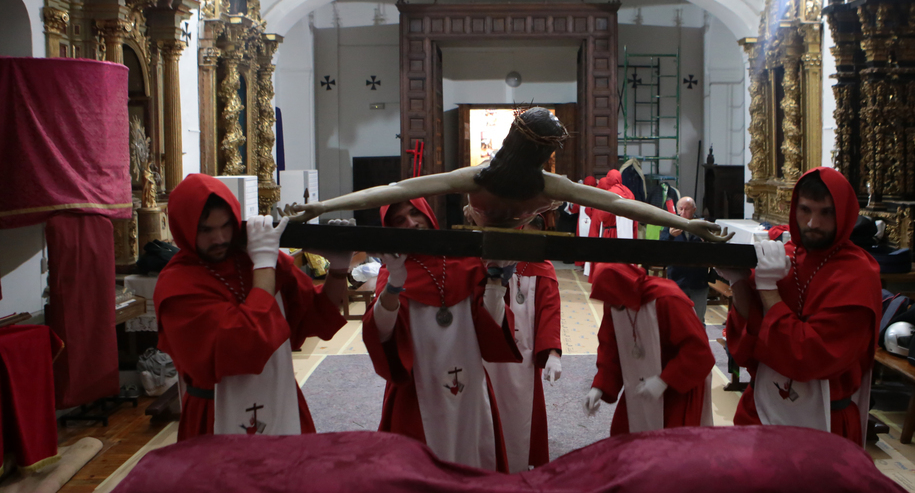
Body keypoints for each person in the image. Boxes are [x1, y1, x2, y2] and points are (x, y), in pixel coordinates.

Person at [284, 108, 731, 243]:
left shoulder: (547, 186)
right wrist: (322, 207)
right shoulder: (477, 179)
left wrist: (685, 222)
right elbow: (396, 190)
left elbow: (619, 204)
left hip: (519, 249)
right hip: (481, 241)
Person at [154, 174, 349, 440]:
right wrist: (264, 266)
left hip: (280, 398)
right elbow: (245, 340)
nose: (220, 238)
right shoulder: (178, 285)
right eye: (206, 230)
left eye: (226, 226)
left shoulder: (253, 258)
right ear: (184, 228)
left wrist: (338, 271)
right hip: (215, 412)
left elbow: (315, 313)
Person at [720, 167, 882, 446]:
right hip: (760, 409)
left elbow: (809, 357)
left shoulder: (857, 274)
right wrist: (738, 283)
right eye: (805, 209)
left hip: (825, 420)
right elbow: (746, 345)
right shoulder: (781, 257)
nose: (812, 223)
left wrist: (769, 292)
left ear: (844, 214)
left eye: (826, 212)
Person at [362, 197, 521, 472]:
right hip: (418, 388)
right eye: (400, 220)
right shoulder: (391, 273)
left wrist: (495, 277)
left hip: (470, 383)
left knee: (475, 455)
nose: (411, 223)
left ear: (428, 214)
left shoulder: (465, 262)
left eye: (415, 213)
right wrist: (394, 285)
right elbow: (383, 332)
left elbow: (490, 326)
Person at [583, 264, 714, 434]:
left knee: (674, 444)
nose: (608, 305)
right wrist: (599, 387)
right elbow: (610, 348)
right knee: (624, 435)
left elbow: (699, 351)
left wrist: (664, 380)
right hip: (642, 381)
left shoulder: (668, 299)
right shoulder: (616, 301)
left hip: (679, 383)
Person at [483, 217, 563, 473]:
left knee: (522, 414)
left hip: (524, 357)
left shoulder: (543, 267)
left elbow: (550, 310)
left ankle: (518, 467)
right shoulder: (487, 260)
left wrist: (552, 353)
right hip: (487, 354)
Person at [662, 196, 715, 322]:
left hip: (698, 281)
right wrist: (670, 236)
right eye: (680, 208)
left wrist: (706, 241)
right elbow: (661, 249)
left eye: (687, 209)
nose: (683, 212)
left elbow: (712, 252)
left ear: (694, 210)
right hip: (677, 279)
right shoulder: (670, 225)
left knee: (699, 320)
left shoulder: (702, 226)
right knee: (676, 318)